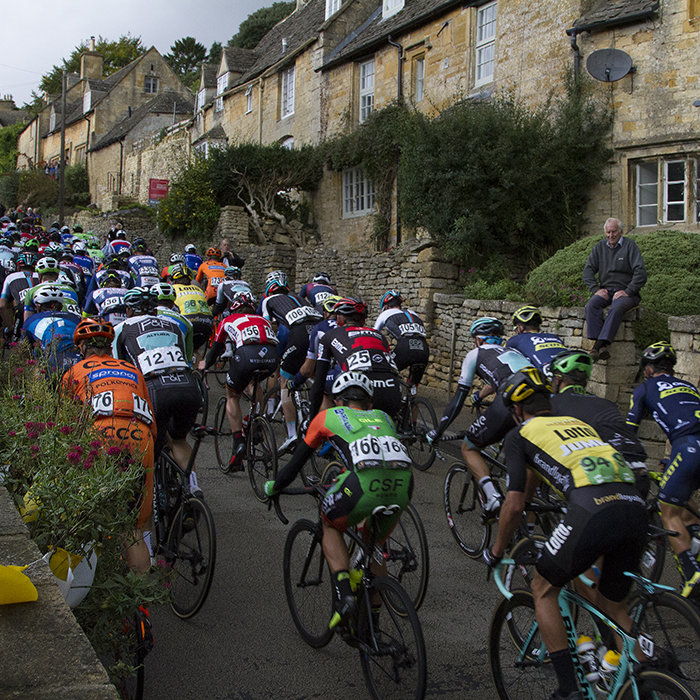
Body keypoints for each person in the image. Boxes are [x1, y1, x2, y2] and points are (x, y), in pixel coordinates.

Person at [484, 367, 646, 700]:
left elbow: (514, 506)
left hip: (592, 508)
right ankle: (652, 670)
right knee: (613, 607)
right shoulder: (579, 425)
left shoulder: (520, 434)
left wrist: (498, 550)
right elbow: (535, 479)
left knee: (543, 588)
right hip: (635, 506)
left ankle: (568, 689)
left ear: (517, 410)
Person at [264, 370, 413, 627]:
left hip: (363, 485)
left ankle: (344, 596)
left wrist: (275, 487)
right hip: (404, 485)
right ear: (369, 404)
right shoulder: (384, 417)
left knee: (329, 523)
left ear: (338, 401)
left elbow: (297, 461)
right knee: (373, 546)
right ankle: (372, 627)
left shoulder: (328, 416)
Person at [62, 318, 157, 573]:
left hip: (100, 431)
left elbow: (66, 429)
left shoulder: (74, 372)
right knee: (134, 526)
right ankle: (140, 603)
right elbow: (152, 420)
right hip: (139, 434)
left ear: (83, 349)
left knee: (88, 512)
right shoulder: (131, 370)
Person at [428, 317, 531, 514]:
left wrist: (438, 431)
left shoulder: (476, 353)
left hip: (512, 399)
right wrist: (481, 395)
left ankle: (493, 497)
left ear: (479, 339)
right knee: (519, 450)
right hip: (541, 399)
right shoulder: (514, 352)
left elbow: (458, 400)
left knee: (469, 446)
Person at [626, 342, 700, 599]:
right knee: (687, 510)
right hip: (690, 447)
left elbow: (630, 431)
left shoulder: (645, 387)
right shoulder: (689, 386)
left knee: (668, 513)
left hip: (689, 448)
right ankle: (696, 544)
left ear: (648, 369)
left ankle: (692, 574)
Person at [113, 288, 203, 492]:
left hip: (155, 389)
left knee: (150, 441)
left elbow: (119, 369)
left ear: (128, 310)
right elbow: (187, 360)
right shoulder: (177, 324)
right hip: (187, 385)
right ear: (154, 310)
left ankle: (151, 494)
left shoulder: (122, 328)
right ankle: (193, 488)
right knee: (179, 440)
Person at [549, 349, 649, 496]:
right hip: (639, 471)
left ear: (557, 379)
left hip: (604, 476)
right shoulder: (606, 403)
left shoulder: (553, 404)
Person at [200, 291, 279, 470]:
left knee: (232, 395)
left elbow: (215, 350)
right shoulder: (263, 320)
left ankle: (238, 443)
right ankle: (257, 420)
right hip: (272, 357)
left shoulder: (227, 320)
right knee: (254, 382)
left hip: (246, 356)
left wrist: (205, 364)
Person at [261, 271, 322, 451]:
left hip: (300, 334)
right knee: (317, 376)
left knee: (285, 384)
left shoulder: (268, 301)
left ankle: (291, 435)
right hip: (319, 331)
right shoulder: (299, 299)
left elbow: (267, 326)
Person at [582, 218, 646, 361]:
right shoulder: (599, 247)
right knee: (592, 305)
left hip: (626, 292)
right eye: (608, 232)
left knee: (616, 308)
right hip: (606, 290)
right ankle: (603, 346)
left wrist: (628, 291)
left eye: (614, 231)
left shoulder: (630, 246)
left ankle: (596, 347)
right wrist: (596, 290)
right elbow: (587, 271)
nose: (611, 235)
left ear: (621, 232)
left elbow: (641, 273)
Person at [373, 290, 430, 387]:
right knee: (413, 382)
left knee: (387, 371)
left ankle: (393, 395)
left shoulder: (385, 314)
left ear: (385, 306)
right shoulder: (413, 313)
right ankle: (412, 398)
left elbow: (374, 334)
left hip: (405, 347)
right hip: (423, 347)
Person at [22, 286, 81, 374]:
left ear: (37, 307)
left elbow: (24, 351)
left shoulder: (31, 320)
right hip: (77, 356)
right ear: (61, 306)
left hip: (52, 360)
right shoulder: (75, 317)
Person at [505, 306, 566, 379]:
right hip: (567, 371)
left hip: (546, 378)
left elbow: (503, 363)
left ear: (519, 328)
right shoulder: (555, 337)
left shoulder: (515, 340)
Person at [168, 263, 213, 362]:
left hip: (188, 322)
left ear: (173, 280)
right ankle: (198, 372)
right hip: (207, 324)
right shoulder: (198, 289)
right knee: (195, 349)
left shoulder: (173, 289)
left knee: (179, 347)